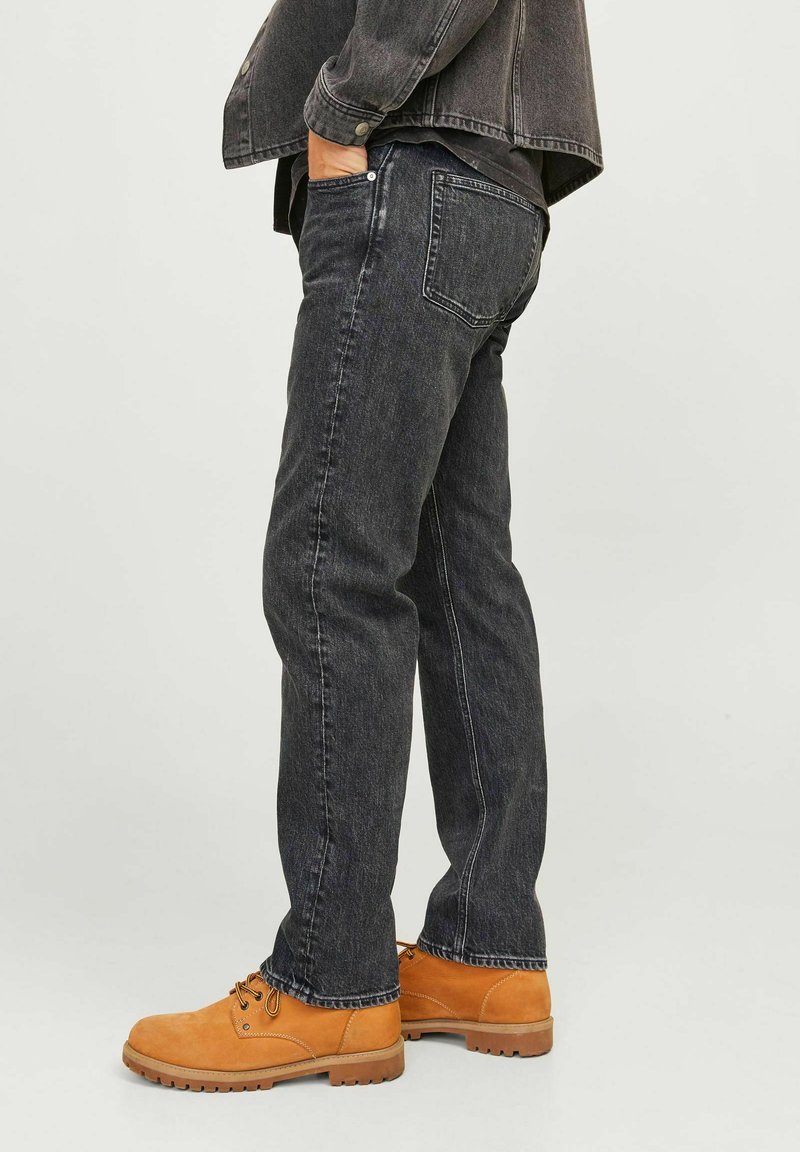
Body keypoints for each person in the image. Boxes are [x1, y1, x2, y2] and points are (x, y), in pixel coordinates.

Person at [123, 0, 602, 1091]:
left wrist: (341, 109)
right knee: (459, 572)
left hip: (410, 168)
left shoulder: (378, 132)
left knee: (330, 565)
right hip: (492, 188)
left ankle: (330, 977)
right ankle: (485, 950)